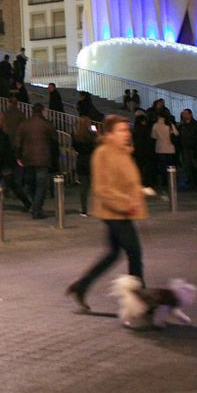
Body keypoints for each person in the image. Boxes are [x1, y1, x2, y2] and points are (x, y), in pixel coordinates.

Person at [66, 116, 148, 311]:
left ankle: (81, 286)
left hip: (123, 210)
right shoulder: (103, 153)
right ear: (109, 134)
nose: (126, 134)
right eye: (121, 130)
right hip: (114, 211)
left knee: (113, 253)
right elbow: (103, 188)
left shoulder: (123, 152)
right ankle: (140, 298)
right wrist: (126, 203)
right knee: (134, 253)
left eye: (127, 130)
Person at [15, 103, 56, 219]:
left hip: (28, 159)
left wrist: (19, 157)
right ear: (42, 111)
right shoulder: (47, 124)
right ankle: (37, 209)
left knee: (31, 184)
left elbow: (17, 142)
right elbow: (54, 141)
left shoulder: (24, 125)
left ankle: (35, 206)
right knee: (41, 185)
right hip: (43, 159)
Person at [176, 109, 197, 189]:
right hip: (185, 148)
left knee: (194, 165)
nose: (184, 115)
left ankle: (196, 180)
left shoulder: (196, 125)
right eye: (183, 114)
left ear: (190, 114)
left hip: (193, 148)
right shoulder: (182, 126)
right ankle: (191, 180)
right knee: (187, 166)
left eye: (186, 114)